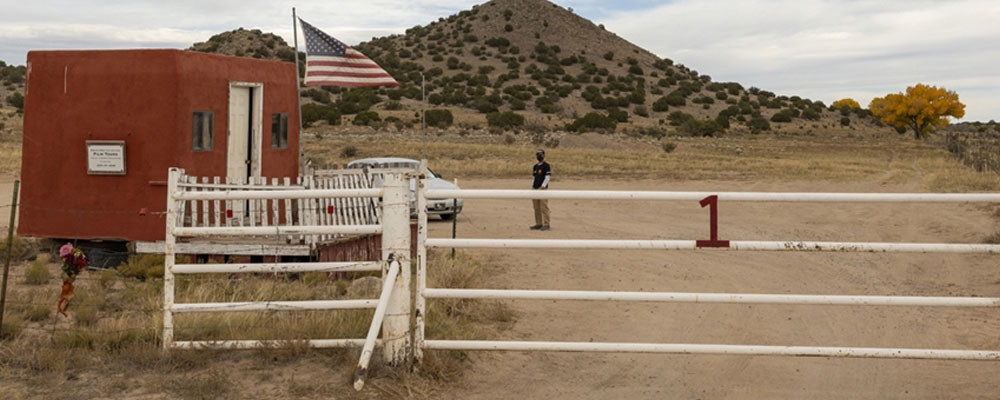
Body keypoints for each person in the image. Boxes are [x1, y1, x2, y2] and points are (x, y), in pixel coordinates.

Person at [530, 149, 551, 231]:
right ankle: (538, 223)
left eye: (541, 154)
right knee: (536, 207)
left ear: (544, 155)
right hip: (534, 189)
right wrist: (532, 186)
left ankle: (546, 224)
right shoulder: (535, 167)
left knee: (544, 207)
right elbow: (534, 177)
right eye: (538, 154)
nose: (539, 156)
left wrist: (543, 186)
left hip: (542, 189)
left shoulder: (546, 166)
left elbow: (547, 177)